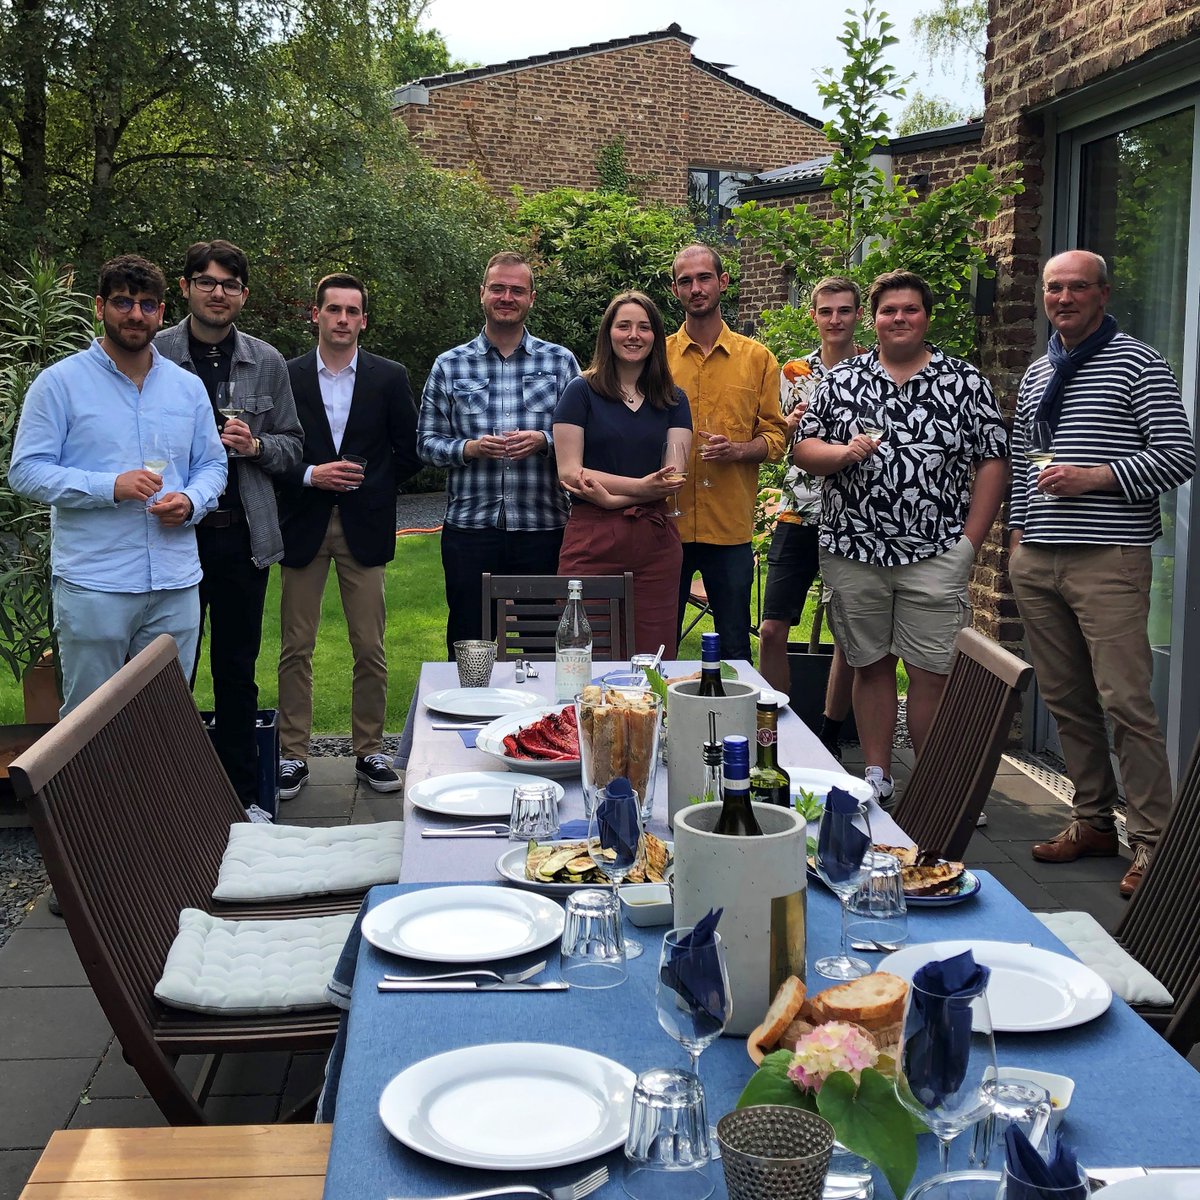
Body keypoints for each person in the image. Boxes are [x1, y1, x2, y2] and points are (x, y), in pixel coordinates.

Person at [1008, 250, 1196, 897]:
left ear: (1103, 294)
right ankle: (1091, 821)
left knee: (1126, 703)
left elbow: (1178, 455)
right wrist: (1017, 537)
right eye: (1053, 288)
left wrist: (1096, 477)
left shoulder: (1139, 363)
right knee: (1066, 699)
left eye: (1077, 288)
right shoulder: (1039, 371)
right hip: (1039, 557)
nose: (1063, 298)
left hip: (1108, 558)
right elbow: (1021, 459)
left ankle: (1153, 842)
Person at [795, 270, 1009, 805]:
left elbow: (993, 461)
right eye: (888, 310)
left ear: (926, 317)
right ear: (874, 319)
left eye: (910, 309)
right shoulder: (842, 380)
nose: (899, 318)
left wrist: (970, 543)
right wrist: (843, 452)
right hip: (854, 550)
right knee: (869, 666)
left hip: (935, 553)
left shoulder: (964, 381)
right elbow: (803, 449)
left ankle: (938, 790)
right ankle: (877, 775)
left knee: (932, 671)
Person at [9, 254, 226, 717]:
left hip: (174, 581)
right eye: (123, 302)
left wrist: (191, 501)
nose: (135, 314)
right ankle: (88, 774)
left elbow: (213, 464)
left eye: (147, 305)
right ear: (99, 306)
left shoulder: (187, 388)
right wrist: (109, 486)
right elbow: (26, 470)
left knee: (167, 716)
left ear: (161, 312)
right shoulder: (59, 384)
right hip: (96, 583)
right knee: (89, 721)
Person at [156, 239, 303, 814]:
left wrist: (257, 445)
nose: (218, 293)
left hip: (243, 536)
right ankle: (170, 797)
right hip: (173, 537)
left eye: (230, 285)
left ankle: (243, 798)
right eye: (207, 282)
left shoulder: (266, 361)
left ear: (244, 294)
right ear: (186, 287)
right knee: (170, 671)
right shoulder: (157, 354)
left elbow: (293, 448)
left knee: (237, 669)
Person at [276, 273, 421, 800]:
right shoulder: (286, 374)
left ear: (363, 320)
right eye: (333, 309)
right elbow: (273, 449)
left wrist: (369, 485)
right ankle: (293, 754)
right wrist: (311, 475)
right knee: (296, 646)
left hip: (365, 523)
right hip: (303, 521)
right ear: (315, 315)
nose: (342, 319)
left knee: (370, 646)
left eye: (351, 311)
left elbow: (410, 451)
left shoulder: (388, 376)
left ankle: (369, 751)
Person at [417, 251, 580, 657]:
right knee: (471, 646)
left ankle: (540, 701)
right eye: (498, 288)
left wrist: (545, 441)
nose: (507, 297)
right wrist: (468, 449)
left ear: (531, 298)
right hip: (471, 529)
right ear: (482, 294)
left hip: (542, 527)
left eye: (517, 290)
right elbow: (425, 443)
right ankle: (471, 699)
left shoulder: (560, 362)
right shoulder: (449, 365)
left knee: (543, 646)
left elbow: (587, 436)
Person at [666, 244, 788, 661]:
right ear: (675, 290)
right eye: (686, 281)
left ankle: (734, 706)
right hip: (667, 525)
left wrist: (738, 449)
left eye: (704, 278)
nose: (696, 288)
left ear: (723, 282)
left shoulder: (758, 359)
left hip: (730, 529)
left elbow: (776, 438)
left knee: (735, 646)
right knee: (657, 643)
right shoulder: (657, 358)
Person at [553, 291, 692, 655]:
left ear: (655, 337)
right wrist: (641, 486)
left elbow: (673, 476)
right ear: (608, 333)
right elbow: (570, 472)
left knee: (654, 657)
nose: (633, 335)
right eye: (624, 326)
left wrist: (612, 498)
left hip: (655, 543)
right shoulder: (580, 392)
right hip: (591, 539)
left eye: (644, 327)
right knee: (582, 651)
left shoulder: (674, 400)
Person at [758, 276, 861, 755]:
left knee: (849, 635)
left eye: (844, 310)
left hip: (855, 514)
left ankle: (830, 734)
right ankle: (775, 733)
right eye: (826, 311)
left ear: (857, 314)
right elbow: (778, 441)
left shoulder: (873, 369)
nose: (834, 320)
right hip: (798, 510)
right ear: (814, 315)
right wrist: (788, 425)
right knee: (772, 628)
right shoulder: (794, 371)